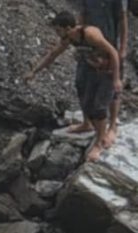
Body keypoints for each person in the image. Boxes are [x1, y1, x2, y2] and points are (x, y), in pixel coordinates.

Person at [25, 11, 122, 162]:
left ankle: (98, 143)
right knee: (84, 97)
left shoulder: (90, 34)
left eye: (58, 30)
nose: (57, 34)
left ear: (68, 27)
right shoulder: (69, 38)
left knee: (99, 107)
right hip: (94, 68)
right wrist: (34, 72)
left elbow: (114, 53)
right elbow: (53, 54)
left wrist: (116, 79)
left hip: (109, 70)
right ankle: (86, 124)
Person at [71, 0, 129, 146]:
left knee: (111, 90)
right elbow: (83, 14)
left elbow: (123, 19)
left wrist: (122, 48)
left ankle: (112, 126)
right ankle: (86, 123)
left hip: (109, 47)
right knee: (81, 82)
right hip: (89, 46)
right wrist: (79, 36)